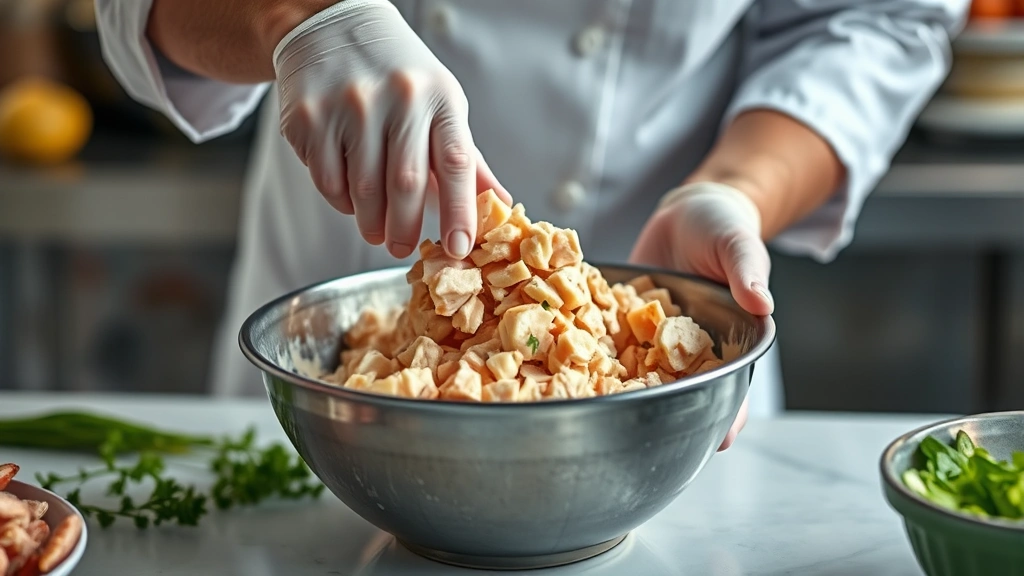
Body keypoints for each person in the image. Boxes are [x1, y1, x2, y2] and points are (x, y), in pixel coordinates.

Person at [94, 0, 968, 449]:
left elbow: (876, 19)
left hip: (656, 384)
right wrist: (302, 19)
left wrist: (738, 189)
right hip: (335, 383)